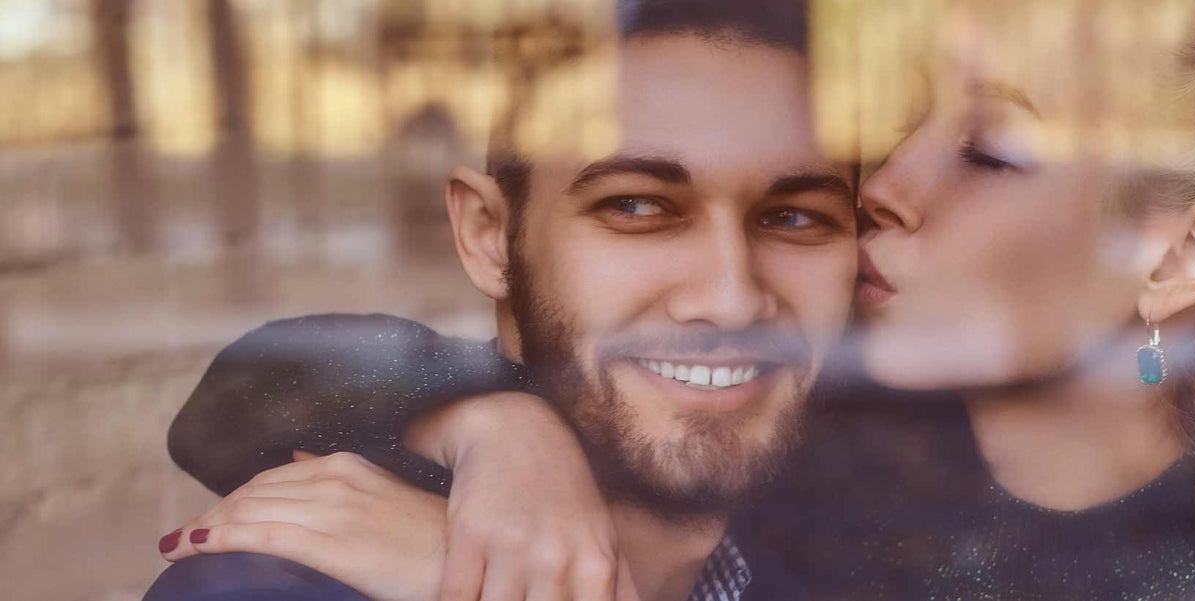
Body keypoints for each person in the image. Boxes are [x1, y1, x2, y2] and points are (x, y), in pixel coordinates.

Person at [161, 0, 1195, 599]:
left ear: (1176, 255)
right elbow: (245, 386)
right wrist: (501, 432)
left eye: (990, 153)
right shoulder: (840, 407)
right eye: (906, 128)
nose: (885, 191)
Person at [145, 2, 859, 601]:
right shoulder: (275, 587)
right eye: (636, 206)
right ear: (489, 235)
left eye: (794, 217)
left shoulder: (851, 545)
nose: (732, 300)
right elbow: (248, 385)